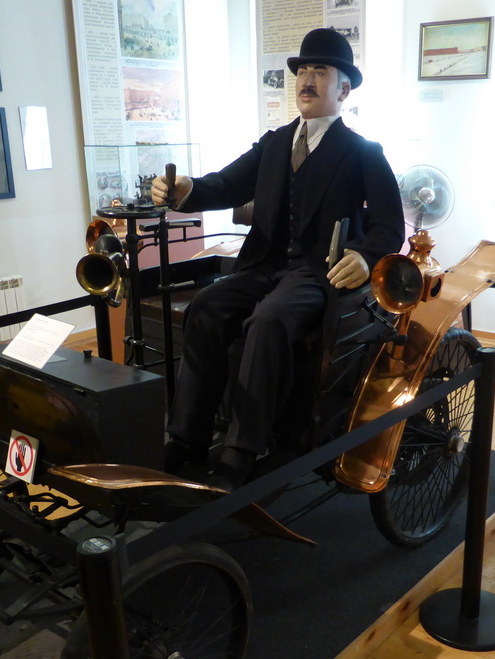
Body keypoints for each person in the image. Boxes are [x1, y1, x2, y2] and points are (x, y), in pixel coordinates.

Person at [150, 27, 404, 489]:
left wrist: (366, 257)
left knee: (267, 322)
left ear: (343, 88)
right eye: (303, 70)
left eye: (319, 71)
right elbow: (224, 184)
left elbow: (391, 226)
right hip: (263, 265)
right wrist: (187, 190)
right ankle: (187, 436)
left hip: (314, 272)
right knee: (206, 309)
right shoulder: (274, 142)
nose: (306, 79)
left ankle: (243, 448)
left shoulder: (363, 152)